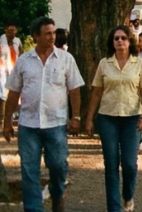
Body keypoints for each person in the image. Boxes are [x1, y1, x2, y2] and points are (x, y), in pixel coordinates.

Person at [3, 16, 85, 212]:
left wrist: (76, 117)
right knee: (29, 170)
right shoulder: (24, 61)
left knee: (57, 165)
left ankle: (57, 195)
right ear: (35, 36)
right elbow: (13, 93)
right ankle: (34, 208)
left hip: (55, 124)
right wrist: (6, 123)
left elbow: (74, 90)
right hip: (28, 125)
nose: (52, 37)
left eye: (54, 33)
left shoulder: (66, 59)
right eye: (47, 33)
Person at [85, 26, 142, 212]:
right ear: (112, 42)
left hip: (132, 119)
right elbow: (96, 92)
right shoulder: (104, 64)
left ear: (130, 41)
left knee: (129, 164)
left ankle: (128, 196)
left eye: (123, 38)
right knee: (111, 163)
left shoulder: (139, 64)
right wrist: (89, 119)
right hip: (107, 118)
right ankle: (113, 208)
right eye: (116, 38)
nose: (120, 41)